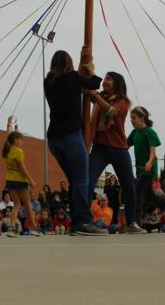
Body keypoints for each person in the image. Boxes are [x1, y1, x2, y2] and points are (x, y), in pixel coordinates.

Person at [43, 48, 107, 236]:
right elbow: (93, 83)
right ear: (69, 64)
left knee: (74, 179)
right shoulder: (72, 77)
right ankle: (83, 222)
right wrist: (91, 69)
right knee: (80, 178)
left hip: (54, 139)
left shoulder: (48, 82)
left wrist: (80, 63)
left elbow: (74, 81)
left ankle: (76, 223)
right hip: (71, 136)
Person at [87, 72, 145, 234]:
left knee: (129, 185)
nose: (105, 81)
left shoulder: (123, 101)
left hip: (118, 148)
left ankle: (131, 223)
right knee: (88, 181)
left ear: (117, 83)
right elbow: (88, 93)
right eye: (105, 78)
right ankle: (84, 220)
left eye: (109, 79)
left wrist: (95, 96)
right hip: (99, 147)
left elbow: (112, 112)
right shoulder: (100, 97)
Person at [128, 106, 165, 226]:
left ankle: (135, 223)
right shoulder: (134, 132)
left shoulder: (150, 132)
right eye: (131, 118)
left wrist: (150, 162)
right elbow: (126, 145)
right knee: (149, 196)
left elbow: (153, 151)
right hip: (140, 169)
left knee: (138, 193)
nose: (131, 120)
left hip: (149, 169)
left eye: (134, 118)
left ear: (142, 118)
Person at [2, 131, 40, 237]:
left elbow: (7, 137)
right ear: (15, 140)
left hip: (9, 181)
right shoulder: (18, 151)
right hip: (20, 180)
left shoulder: (8, 151)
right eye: (21, 139)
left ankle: (11, 228)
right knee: (27, 204)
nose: (22, 142)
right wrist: (31, 180)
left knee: (17, 204)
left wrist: (8, 127)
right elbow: (22, 167)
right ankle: (33, 227)